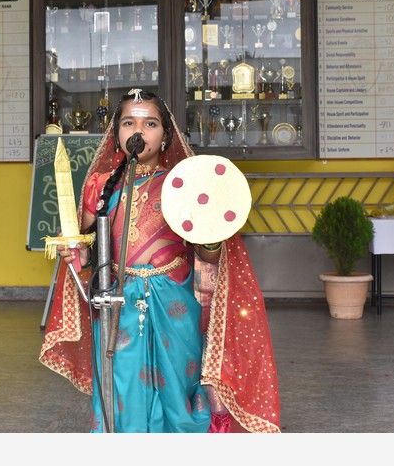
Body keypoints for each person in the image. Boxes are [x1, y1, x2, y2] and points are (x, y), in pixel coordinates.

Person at [39, 89, 280, 433]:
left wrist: (211, 232)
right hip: (117, 303)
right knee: (121, 384)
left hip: (175, 305)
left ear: (166, 135)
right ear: (116, 133)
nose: (138, 131)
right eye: (129, 123)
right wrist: (81, 254)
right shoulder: (100, 186)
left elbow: (209, 255)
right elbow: (92, 251)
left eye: (149, 123)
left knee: (179, 391)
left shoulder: (183, 184)